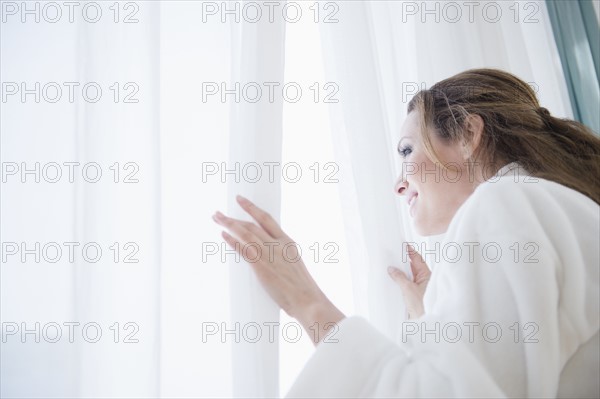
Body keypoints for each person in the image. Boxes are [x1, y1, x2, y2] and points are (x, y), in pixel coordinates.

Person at [212, 69, 600, 398]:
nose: (398, 185)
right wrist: (432, 315)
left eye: (406, 151)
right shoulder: (555, 208)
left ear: (468, 134)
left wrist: (307, 302)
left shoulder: (507, 202)